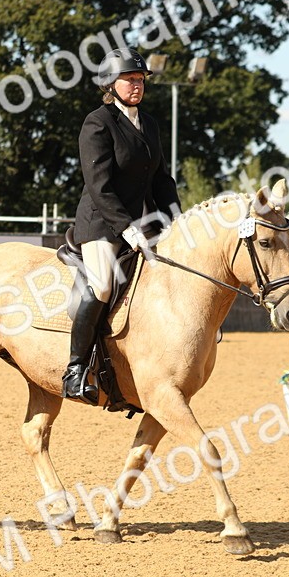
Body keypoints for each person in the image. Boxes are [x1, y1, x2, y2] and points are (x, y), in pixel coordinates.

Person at [62, 47, 181, 404]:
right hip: (102, 224)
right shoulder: (97, 122)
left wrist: (177, 221)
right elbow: (99, 185)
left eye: (140, 79)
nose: (136, 85)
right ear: (110, 85)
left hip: (145, 223)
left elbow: (161, 180)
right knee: (101, 286)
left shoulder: (151, 124)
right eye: (129, 79)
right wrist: (126, 227)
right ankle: (76, 368)